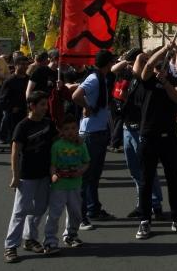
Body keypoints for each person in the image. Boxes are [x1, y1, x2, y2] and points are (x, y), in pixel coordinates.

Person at [135, 43, 177, 239]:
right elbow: (147, 65)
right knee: (146, 181)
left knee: (173, 179)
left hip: (169, 138)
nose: (159, 68)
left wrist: (166, 82)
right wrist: (164, 49)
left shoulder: (174, 79)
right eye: (158, 65)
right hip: (148, 136)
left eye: (163, 65)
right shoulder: (147, 79)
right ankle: (144, 220)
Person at [3, 90, 57, 264]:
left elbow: (58, 141)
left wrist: (76, 140)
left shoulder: (48, 124)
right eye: (42, 104)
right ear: (32, 106)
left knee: (40, 208)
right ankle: (10, 246)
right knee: (20, 211)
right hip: (27, 176)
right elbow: (15, 152)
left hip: (43, 175)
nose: (45, 107)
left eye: (45, 104)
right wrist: (15, 176)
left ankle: (30, 238)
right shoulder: (23, 126)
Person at [117, 49, 164, 219]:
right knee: (135, 170)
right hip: (127, 128)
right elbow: (115, 70)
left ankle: (155, 203)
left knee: (146, 169)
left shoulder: (146, 79)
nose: (129, 67)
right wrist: (128, 61)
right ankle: (142, 203)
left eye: (132, 63)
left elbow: (140, 70)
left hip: (140, 130)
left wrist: (141, 58)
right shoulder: (129, 78)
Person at [72, 50, 115, 230]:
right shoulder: (94, 78)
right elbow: (76, 95)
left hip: (100, 131)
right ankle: (80, 217)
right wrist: (87, 107)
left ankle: (93, 208)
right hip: (90, 133)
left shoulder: (102, 78)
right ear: (107, 63)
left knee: (95, 176)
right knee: (86, 176)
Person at [43, 114, 89, 254]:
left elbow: (86, 162)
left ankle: (71, 235)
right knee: (55, 214)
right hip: (59, 186)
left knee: (76, 213)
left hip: (75, 184)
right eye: (67, 129)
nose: (70, 131)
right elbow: (52, 164)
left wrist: (80, 171)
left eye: (74, 128)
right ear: (61, 131)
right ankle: (50, 241)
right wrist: (53, 175)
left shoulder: (81, 144)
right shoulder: (57, 146)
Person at [0, 54, 31, 143]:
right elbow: (2, 99)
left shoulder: (29, 80)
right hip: (14, 115)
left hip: (26, 112)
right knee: (15, 137)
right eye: (23, 64)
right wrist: (11, 108)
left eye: (26, 64)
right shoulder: (9, 81)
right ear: (16, 65)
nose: (25, 67)